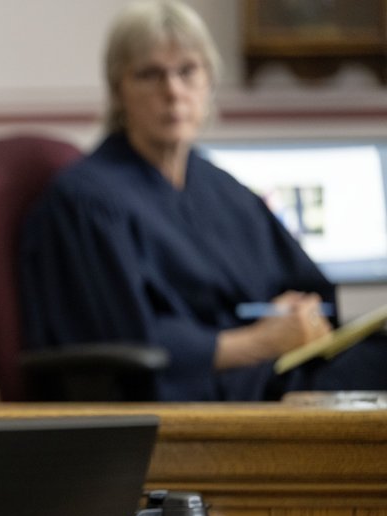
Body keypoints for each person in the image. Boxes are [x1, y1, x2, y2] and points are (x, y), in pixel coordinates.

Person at [20, 0, 387, 401]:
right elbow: (123, 346)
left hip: (279, 371)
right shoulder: (87, 202)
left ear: (208, 81)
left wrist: (304, 316)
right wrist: (256, 342)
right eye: (149, 74)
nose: (172, 91)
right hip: (204, 397)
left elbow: (305, 286)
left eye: (187, 71)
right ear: (117, 89)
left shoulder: (221, 187)